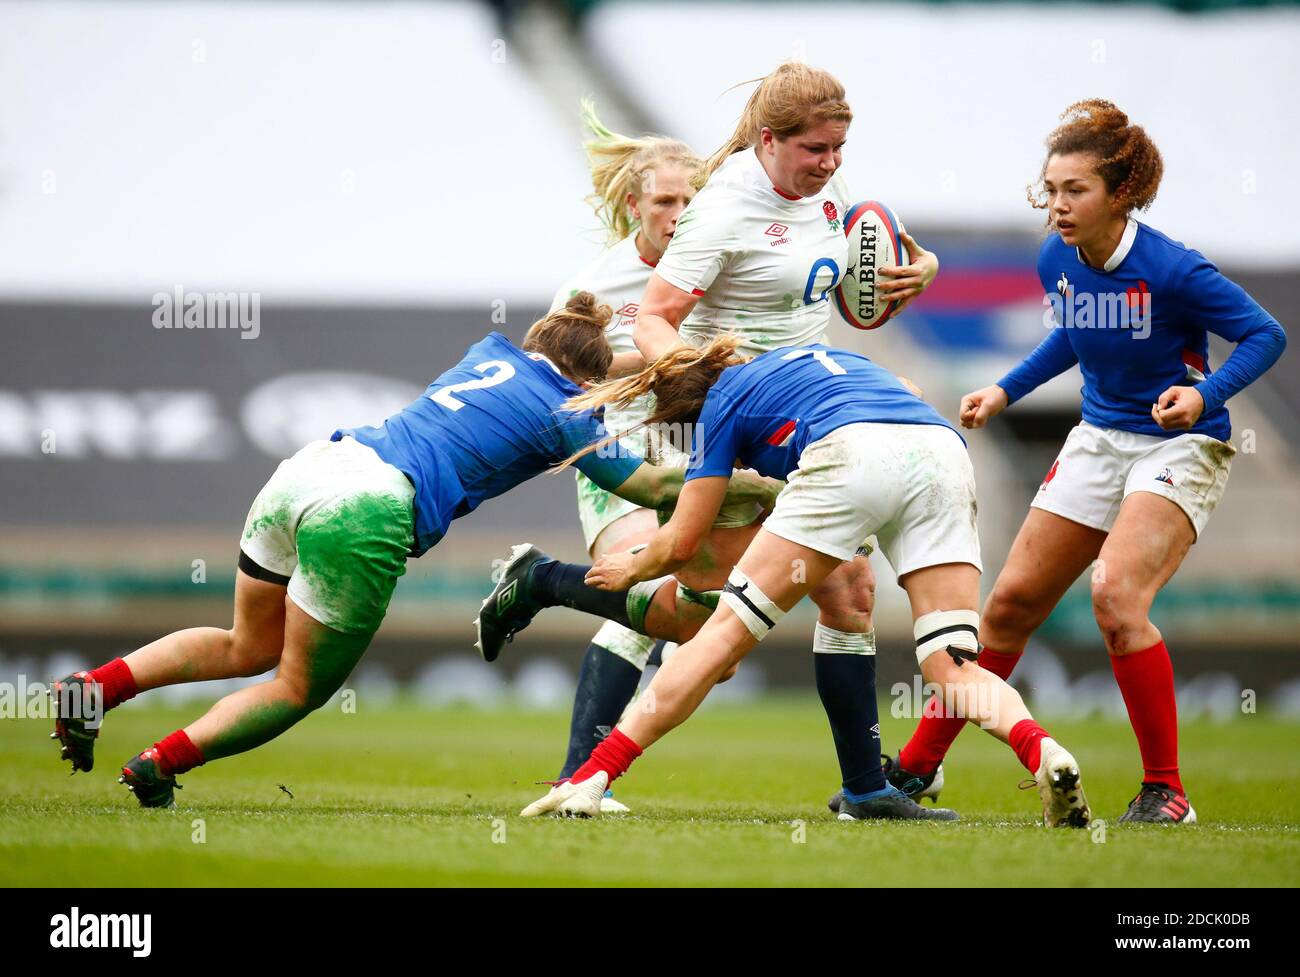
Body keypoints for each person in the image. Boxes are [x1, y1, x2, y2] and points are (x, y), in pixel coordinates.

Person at [48, 294, 774, 807]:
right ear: (583, 380)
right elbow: (651, 484)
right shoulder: (564, 416)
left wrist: (629, 366)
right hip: (366, 510)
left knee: (247, 643)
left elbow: (577, 362)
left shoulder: (486, 352)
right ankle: (157, 762)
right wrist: (748, 481)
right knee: (297, 685)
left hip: (312, 466)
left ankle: (99, 686)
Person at [563, 62, 946, 819]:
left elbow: (845, 281)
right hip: (725, 417)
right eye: (815, 149)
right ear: (769, 141)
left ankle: (865, 789)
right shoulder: (722, 209)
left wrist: (920, 267)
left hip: (804, 419)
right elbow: (653, 318)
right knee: (683, 607)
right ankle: (546, 593)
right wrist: (704, 366)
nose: (831, 163)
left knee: (848, 589)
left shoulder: (828, 193)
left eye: (839, 147)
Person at [890, 99, 1286, 824]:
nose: (1058, 205)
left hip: (1180, 444)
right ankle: (914, 771)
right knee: (1007, 607)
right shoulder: (1056, 256)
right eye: (1051, 189)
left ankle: (1166, 790)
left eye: (1075, 190)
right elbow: (1077, 333)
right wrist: (1007, 387)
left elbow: (1266, 333)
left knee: (1113, 597)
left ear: (1120, 193)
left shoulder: (1174, 268)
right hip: (1098, 437)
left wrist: (1206, 397)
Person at [519, 339, 1092, 828]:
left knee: (722, 635)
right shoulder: (806, 356)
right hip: (940, 450)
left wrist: (632, 567)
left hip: (849, 455)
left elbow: (683, 542)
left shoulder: (718, 405)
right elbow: (909, 387)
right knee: (950, 661)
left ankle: (594, 776)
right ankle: (1041, 750)